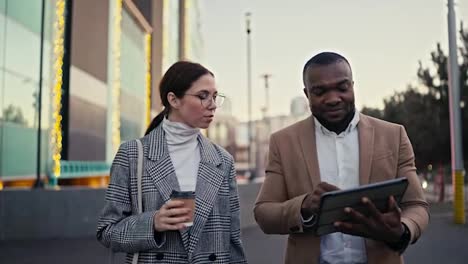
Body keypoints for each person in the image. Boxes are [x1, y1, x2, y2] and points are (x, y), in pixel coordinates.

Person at [254, 52, 429, 264]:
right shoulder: (283, 142)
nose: (333, 99)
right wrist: (304, 205)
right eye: (320, 91)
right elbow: (264, 212)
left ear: (353, 85)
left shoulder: (393, 135)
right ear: (307, 93)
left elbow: (416, 205)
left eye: (342, 87)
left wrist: (401, 230)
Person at [97, 61, 247, 263]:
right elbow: (108, 231)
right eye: (203, 96)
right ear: (174, 100)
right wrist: (153, 223)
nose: (212, 105)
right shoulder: (132, 154)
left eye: (214, 96)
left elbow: (233, 239)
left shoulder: (222, 160)